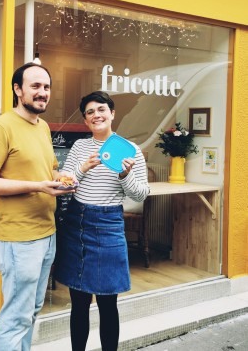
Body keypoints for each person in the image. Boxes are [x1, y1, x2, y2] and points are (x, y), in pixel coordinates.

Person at [0, 62, 76, 351]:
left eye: (46, 87)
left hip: (47, 235)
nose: (42, 92)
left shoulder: (43, 127)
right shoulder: (1, 127)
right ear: (17, 89)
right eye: (35, 86)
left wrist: (62, 179)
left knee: (31, 311)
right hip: (20, 239)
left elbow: (49, 172)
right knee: (15, 318)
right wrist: (38, 186)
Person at [53, 90, 150, 351]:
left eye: (101, 109)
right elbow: (64, 184)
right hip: (77, 223)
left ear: (112, 113)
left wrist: (124, 176)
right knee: (79, 302)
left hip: (108, 226)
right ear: (85, 121)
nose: (96, 115)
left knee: (108, 303)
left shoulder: (130, 150)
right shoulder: (80, 147)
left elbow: (141, 194)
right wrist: (82, 169)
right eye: (90, 112)